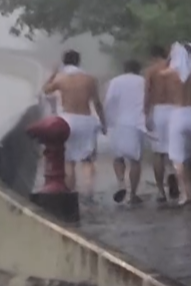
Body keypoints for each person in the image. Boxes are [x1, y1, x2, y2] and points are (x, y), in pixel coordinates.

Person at [42, 50, 106, 194]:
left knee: (69, 161)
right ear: (79, 61)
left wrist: (53, 74)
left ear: (64, 62)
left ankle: (70, 192)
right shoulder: (90, 79)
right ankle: (89, 191)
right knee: (88, 160)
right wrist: (103, 123)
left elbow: (45, 90)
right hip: (86, 121)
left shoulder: (61, 78)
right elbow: (97, 103)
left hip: (67, 121)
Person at [163, 42, 191, 207]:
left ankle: (185, 193)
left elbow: (164, 67)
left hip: (178, 114)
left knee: (178, 158)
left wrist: (170, 56)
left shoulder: (170, 74)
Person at [105, 59, 146, 205]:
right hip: (137, 123)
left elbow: (109, 101)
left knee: (118, 157)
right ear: (139, 69)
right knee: (135, 160)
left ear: (124, 68)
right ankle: (133, 194)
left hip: (119, 122)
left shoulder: (115, 81)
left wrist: (108, 121)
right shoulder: (143, 82)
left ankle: (121, 183)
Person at [144, 44, 179, 202]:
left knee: (158, 153)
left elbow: (147, 93)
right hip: (175, 109)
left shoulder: (151, 71)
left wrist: (146, 114)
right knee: (176, 150)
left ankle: (160, 191)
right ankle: (173, 174)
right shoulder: (175, 69)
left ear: (152, 56)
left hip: (159, 110)